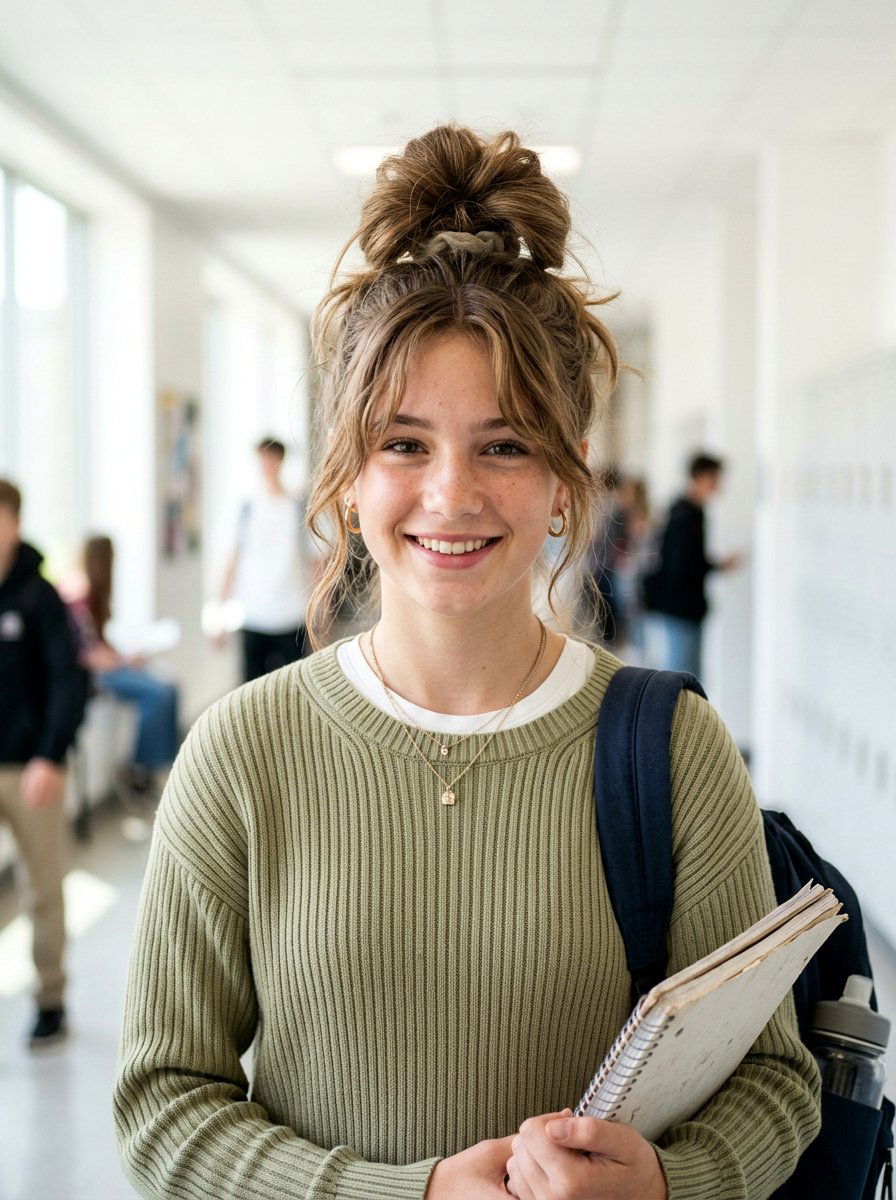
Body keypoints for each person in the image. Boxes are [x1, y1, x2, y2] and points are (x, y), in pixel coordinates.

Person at [114, 126, 820, 1199]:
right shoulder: (242, 753)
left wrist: (665, 1185)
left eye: (504, 445)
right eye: (403, 444)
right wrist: (415, 1193)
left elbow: (775, 1081)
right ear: (348, 476)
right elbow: (164, 1104)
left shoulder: (675, 749)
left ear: (565, 480)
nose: (451, 495)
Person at [0, 478, 88, 1047]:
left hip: (32, 768)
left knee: (42, 889)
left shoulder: (39, 596)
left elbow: (66, 679)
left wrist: (50, 755)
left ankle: (49, 999)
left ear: (14, 523)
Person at [67, 535, 180, 797]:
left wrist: (125, 657)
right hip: (92, 674)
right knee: (157, 693)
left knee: (170, 687)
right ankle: (140, 768)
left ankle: (163, 765)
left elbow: (97, 641)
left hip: (109, 664)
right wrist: (119, 661)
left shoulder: (96, 594)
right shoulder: (78, 593)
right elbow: (82, 650)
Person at [217, 437, 316, 681]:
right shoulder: (246, 508)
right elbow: (231, 560)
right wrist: (219, 614)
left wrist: (319, 611)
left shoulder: (298, 507)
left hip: (292, 615)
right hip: (253, 614)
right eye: (262, 460)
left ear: (280, 461)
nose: (266, 466)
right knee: (250, 689)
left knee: (295, 686)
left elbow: (316, 561)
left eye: (270, 460)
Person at [641, 452, 742, 679]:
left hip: (683, 608)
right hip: (680, 608)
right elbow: (681, 566)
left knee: (686, 674)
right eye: (714, 479)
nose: (717, 486)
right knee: (681, 678)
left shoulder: (690, 512)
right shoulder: (685, 515)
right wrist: (716, 566)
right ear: (700, 477)